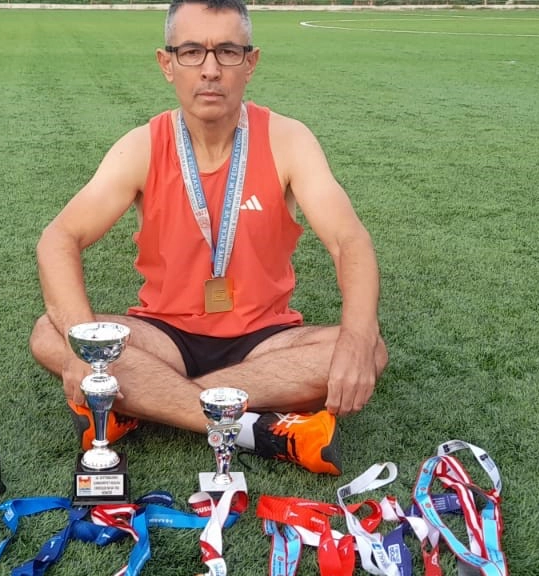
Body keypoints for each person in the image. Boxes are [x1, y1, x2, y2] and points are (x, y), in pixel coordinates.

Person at [30, 0, 388, 475]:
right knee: (50, 333)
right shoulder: (143, 146)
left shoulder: (287, 140)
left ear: (250, 63)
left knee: (370, 348)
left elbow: (349, 241)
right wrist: (80, 341)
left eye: (228, 52)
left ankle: (138, 403)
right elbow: (59, 238)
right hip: (164, 335)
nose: (211, 69)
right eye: (192, 51)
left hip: (264, 341)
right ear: (167, 64)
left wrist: (358, 339)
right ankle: (259, 429)